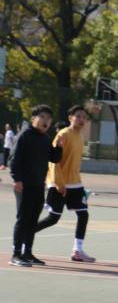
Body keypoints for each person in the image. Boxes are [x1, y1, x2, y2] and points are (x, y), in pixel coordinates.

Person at [34, 105, 96, 262]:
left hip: (75, 183)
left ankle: (77, 250)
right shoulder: (63, 134)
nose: (82, 119)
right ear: (70, 118)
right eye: (78, 116)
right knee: (53, 218)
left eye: (84, 117)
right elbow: (54, 161)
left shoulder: (80, 137)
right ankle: (26, 234)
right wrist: (59, 183)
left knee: (83, 214)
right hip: (59, 183)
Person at [9, 106, 63, 267]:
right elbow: (14, 159)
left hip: (38, 185)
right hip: (24, 185)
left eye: (49, 118)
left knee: (33, 220)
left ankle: (28, 252)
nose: (46, 121)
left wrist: (59, 146)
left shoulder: (46, 138)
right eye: (43, 117)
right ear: (33, 118)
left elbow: (54, 158)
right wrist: (17, 179)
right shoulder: (25, 135)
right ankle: (16, 254)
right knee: (23, 218)